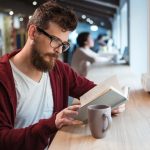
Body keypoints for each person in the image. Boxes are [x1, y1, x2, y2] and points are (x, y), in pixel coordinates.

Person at [0, 1, 125, 150]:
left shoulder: (58, 69)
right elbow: (3, 140)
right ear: (33, 32)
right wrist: (51, 124)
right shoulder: (4, 78)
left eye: (64, 45)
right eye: (55, 41)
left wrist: (112, 100)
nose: (59, 51)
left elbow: (92, 90)